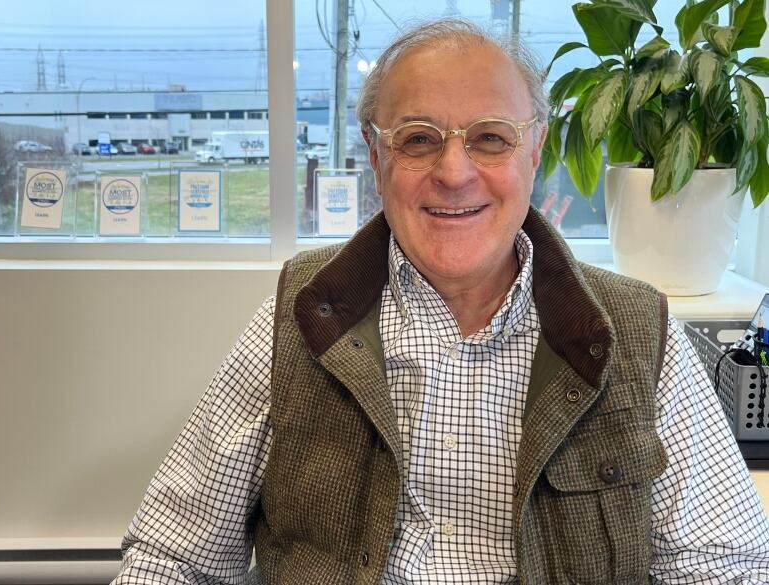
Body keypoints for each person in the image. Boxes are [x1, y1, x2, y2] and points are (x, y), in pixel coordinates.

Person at [112, 18, 769, 585]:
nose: (454, 173)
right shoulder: (296, 318)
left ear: (534, 151)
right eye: (419, 137)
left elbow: (723, 564)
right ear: (376, 155)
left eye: (491, 137)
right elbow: (175, 555)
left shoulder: (638, 332)